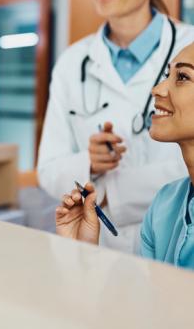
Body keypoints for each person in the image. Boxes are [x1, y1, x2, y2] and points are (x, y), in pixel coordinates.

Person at [37, 0, 194, 254]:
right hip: (95, 244)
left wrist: (112, 192)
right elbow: (48, 171)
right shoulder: (72, 63)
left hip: (176, 239)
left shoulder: (189, 49)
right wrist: (89, 163)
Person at [55, 40, 194, 270]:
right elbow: (149, 302)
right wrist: (81, 253)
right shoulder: (165, 205)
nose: (157, 89)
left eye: (182, 77)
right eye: (167, 75)